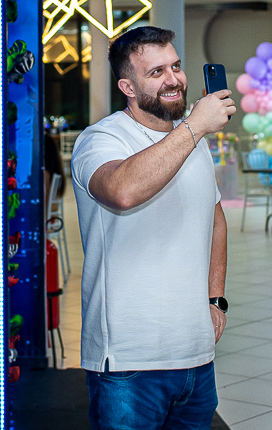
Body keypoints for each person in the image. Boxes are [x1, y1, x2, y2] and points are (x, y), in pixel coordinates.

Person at [70, 26, 236, 430]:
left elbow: (214, 216)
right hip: (128, 360)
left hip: (195, 355)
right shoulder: (100, 139)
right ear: (127, 86)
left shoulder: (192, 141)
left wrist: (215, 298)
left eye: (175, 66)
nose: (173, 79)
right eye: (157, 72)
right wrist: (195, 126)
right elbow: (122, 191)